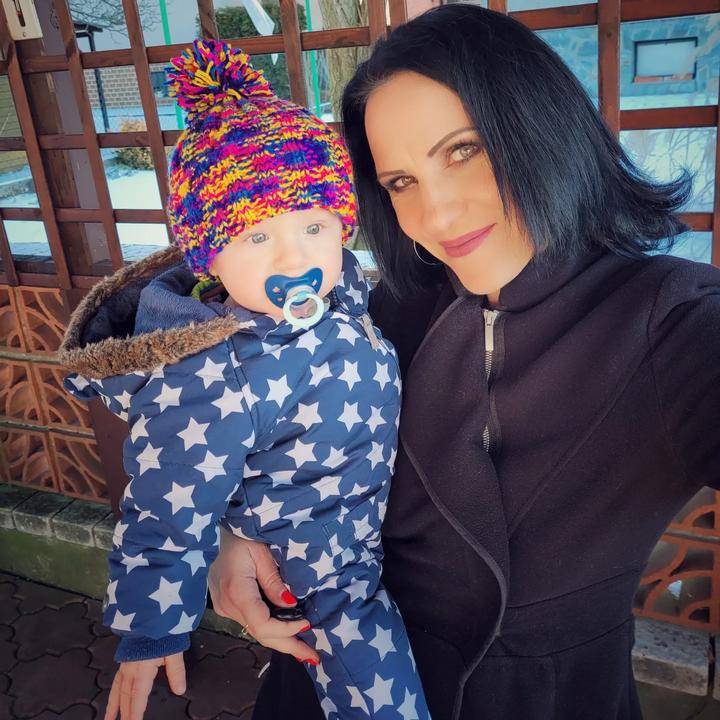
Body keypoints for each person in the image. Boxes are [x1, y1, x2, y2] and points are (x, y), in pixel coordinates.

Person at [205, 6, 720, 720]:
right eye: (401, 182)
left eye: (462, 151)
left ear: (541, 126)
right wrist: (232, 539)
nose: (438, 215)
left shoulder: (673, 320)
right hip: (326, 682)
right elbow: (269, 440)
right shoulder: (379, 313)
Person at [59, 40, 430, 720]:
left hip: (369, 525)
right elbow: (167, 506)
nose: (295, 257)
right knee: (380, 694)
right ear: (210, 255)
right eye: (258, 237)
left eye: (314, 225)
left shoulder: (341, 294)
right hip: (315, 564)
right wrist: (152, 629)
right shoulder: (214, 370)